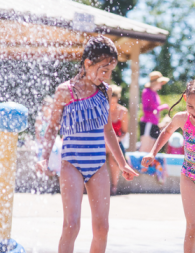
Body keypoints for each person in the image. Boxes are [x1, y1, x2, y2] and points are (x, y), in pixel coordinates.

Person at [35, 36, 138, 253]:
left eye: (110, 71)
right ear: (87, 63)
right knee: (71, 226)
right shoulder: (66, 91)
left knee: (102, 228)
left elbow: (108, 130)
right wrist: (43, 158)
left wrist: (122, 163)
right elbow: (52, 128)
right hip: (72, 164)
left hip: (98, 166)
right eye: (103, 70)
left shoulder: (105, 91)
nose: (107, 76)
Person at [141, 79, 195, 253]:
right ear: (184, 99)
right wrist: (153, 152)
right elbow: (167, 132)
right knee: (192, 228)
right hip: (189, 176)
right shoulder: (181, 118)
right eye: (190, 106)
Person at [106, 85, 128, 195]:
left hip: (116, 142)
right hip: (102, 142)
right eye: (110, 102)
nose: (111, 105)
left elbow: (124, 131)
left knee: (112, 156)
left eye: (114, 102)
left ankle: (114, 186)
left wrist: (118, 138)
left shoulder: (123, 112)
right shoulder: (102, 110)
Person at [139, 71, 169, 152]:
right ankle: (138, 165)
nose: (162, 84)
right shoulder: (147, 92)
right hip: (148, 123)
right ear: (156, 82)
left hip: (154, 123)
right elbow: (146, 110)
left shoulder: (154, 93)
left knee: (151, 150)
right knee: (145, 148)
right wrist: (162, 108)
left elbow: (154, 109)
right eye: (161, 82)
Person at [35, 96, 62, 176]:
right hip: (43, 140)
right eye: (46, 106)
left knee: (59, 148)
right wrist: (41, 141)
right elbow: (37, 133)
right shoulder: (40, 118)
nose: (48, 108)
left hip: (53, 139)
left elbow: (57, 129)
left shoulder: (52, 118)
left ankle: (57, 169)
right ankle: (48, 169)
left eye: (50, 106)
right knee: (47, 150)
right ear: (43, 107)